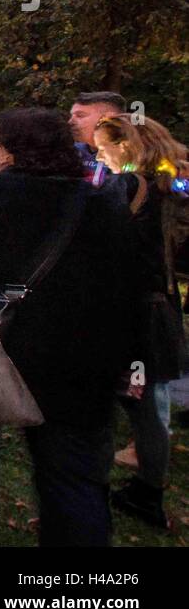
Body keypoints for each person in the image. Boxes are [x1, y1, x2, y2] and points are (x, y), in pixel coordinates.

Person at [0, 108, 140, 546]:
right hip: (85, 361)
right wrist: (129, 359)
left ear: (13, 150)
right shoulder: (102, 205)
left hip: (2, 349)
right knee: (73, 475)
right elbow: (130, 286)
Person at [94, 113, 187, 530]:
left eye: (103, 146)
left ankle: (146, 495)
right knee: (147, 402)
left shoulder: (127, 185)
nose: (98, 154)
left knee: (139, 404)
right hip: (161, 305)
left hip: (131, 310)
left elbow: (99, 241)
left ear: (125, 146)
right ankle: (148, 491)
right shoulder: (173, 184)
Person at [70, 91, 126, 187]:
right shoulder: (70, 152)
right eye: (72, 116)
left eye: (80, 115)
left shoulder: (132, 156)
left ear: (108, 119)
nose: (70, 122)